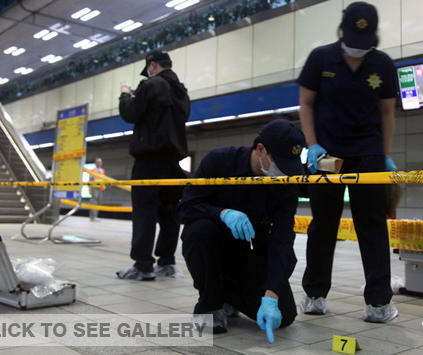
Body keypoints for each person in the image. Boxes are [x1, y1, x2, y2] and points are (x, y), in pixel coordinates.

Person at [297, 2, 399, 323]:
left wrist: (383, 155)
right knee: (323, 225)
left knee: (372, 226)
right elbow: (306, 104)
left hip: (368, 153)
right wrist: (312, 146)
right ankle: (314, 295)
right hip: (328, 155)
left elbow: (386, 112)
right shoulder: (320, 58)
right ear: (342, 30)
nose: (358, 45)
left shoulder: (382, 63)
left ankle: (379, 302)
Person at [178, 119, 306, 342]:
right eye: (280, 163)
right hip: (215, 247)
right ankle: (211, 303)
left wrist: (271, 295)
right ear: (260, 149)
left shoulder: (285, 184)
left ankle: (229, 294)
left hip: (251, 254)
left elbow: (282, 239)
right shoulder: (220, 161)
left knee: (285, 315)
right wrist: (223, 213)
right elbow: (187, 207)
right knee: (199, 232)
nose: (283, 173)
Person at [117, 49, 189, 281]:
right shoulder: (182, 92)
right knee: (170, 213)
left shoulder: (151, 85)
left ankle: (143, 265)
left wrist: (125, 94)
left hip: (149, 160)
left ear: (153, 65)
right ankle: (167, 262)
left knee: (145, 212)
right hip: (173, 162)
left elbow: (130, 113)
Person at [89, 157, 105, 221]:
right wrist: (89, 188)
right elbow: (90, 179)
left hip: (101, 188)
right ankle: (92, 216)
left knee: (99, 202)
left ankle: (96, 216)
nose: (99, 163)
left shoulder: (103, 170)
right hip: (94, 187)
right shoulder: (93, 170)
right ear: (95, 163)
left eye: (100, 162)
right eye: (98, 162)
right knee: (94, 202)